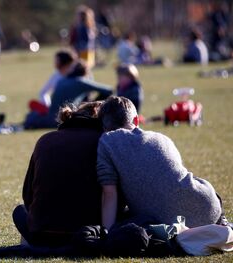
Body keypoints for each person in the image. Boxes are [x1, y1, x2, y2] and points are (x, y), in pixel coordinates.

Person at [97, 96, 223, 230]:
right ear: (136, 120)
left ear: (104, 127)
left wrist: (107, 232)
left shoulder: (107, 142)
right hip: (208, 207)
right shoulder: (162, 138)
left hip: (169, 223)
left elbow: (109, 193)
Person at [14, 101, 104, 247]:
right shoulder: (103, 141)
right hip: (89, 234)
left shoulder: (45, 140)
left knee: (19, 212)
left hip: (42, 234)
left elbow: (28, 195)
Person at [24, 61, 112, 129]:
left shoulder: (62, 81)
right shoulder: (81, 81)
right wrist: (92, 104)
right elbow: (108, 90)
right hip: (63, 119)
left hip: (50, 117)